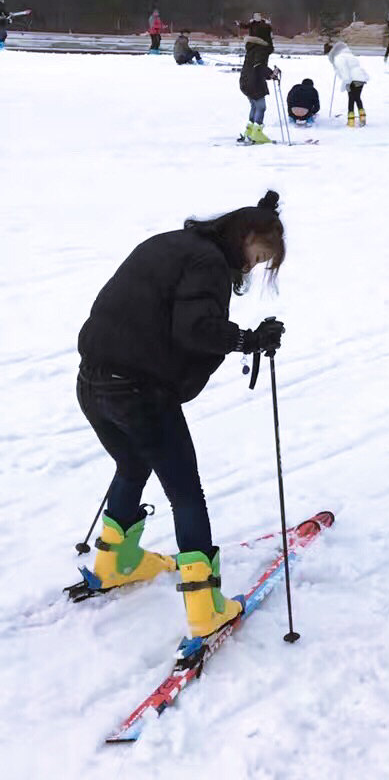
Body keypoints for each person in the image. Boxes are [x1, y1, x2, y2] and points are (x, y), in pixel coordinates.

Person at [74, 192, 287, 641]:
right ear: (245, 236)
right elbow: (194, 329)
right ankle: (205, 608)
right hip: (137, 391)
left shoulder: (172, 243)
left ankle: (116, 560)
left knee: (132, 464)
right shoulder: (209, 263)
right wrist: (247, 340)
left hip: (92, 382)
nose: (251, 267)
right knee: (187, 494)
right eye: (258, 256)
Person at [238, 14, 276, 145]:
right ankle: (257, 133)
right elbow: (259, 66)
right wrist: (271, 74)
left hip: (245, 81)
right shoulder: (261, 48)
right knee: (261, 107)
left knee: (254, 106)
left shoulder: (252, 47)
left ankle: (249, 131)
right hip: (254, 82)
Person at [324, 40, 369, 126]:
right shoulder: (348, 54)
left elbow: (345, 73)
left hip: (352, 79)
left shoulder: (339, 58)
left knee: (351, 99)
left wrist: (346, 84)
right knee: (357, 98)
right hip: (361, 77)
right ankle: (362, 117)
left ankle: (351, 121)